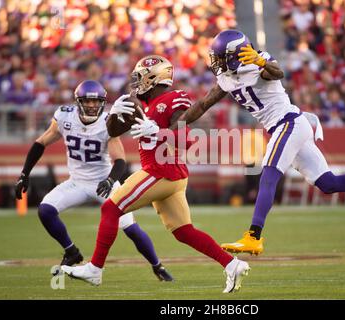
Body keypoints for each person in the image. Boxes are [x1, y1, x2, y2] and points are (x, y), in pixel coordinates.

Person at [173, 29, 345, 255]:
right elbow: (203, 104)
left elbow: (277, 72)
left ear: (235, 55)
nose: (216, 61)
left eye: (220, 56)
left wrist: (260, 61)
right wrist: (174, 126)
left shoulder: (259, 61)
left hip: (287, 123)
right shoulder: (226, 78)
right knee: (328, 183)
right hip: (288, 126)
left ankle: (254, 236)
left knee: (268, 173)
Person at [61, 56, 250, 293]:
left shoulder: (172, 100)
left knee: (110, 208)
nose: (136, 82)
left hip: (160, 171)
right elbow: (112, 132)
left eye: (140, 76)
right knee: (183, 232)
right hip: (169, 175)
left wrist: (159, 132)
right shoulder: (141, 102)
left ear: (154, 77)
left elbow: (188, 141)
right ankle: (232, 264)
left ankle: (95, 269)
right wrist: (112, 115)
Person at [15, 80, 173, 281]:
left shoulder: (108, 122)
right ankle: (71, 251)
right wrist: (24, 174)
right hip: (77, 182)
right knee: (45, 210)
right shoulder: (64, 116)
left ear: (102, 102)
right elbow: (41, 142)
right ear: (78, 102)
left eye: (96, 102)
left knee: (130, 229)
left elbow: (120, 161)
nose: (91, 105)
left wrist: (109, 180)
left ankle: (157, 266)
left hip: (104, 183)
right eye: (87, 101)